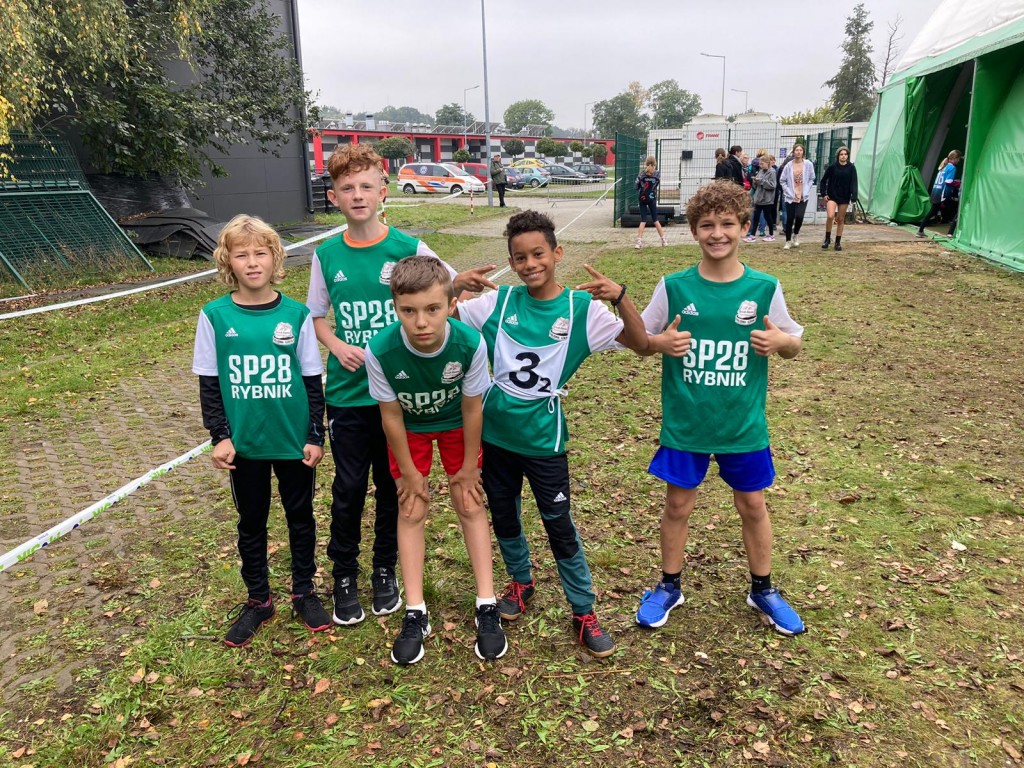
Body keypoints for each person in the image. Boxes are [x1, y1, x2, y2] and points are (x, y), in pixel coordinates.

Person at [456, 210, 663, 657]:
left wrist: (620, 297)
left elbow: (643, 344)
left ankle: (583, 609)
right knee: (504, 515)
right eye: (520, 257)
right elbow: (437, 317)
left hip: (544, 440)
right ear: (511, 262)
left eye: (538, 254)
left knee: (559, 524)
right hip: (496, 434)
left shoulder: (580, 309)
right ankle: (521, 581)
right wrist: (454, 287)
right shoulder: (498, 303)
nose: (530, 264)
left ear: (557, 253)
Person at [306, 143, 497, 628]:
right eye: (347, 188)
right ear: (334, 196)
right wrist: (337, 345)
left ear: (382, 191)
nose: (357, 195)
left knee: (397, 486)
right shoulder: (326, 254)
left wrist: (463, 281)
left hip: (406, 398)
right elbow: (317, 316)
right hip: (351, 393)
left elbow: (442, 288)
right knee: (349, 487)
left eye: (365, 186)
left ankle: (385, 569)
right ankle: (344, 575)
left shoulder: (409, 247)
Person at [632, 180, 806, 636]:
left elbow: (794, 343)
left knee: (753, 504)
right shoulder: (674, 287)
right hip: (687, 423)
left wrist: (781, 342)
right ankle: (669, 586)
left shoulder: (764, 287)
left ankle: (763, 589)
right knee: (677, 505)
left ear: (745, 227)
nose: (717, 233)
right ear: (693, 231)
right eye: (707, 225)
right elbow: (639, 339)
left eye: (727, 224)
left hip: (741, 424)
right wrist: (658, 343)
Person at [192, 215, 329, 647]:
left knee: (300, 517)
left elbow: (312, 380)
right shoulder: (214, 316)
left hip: (292, 442)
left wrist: (315, 435)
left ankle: (304, 592)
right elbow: (209, 383)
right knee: (251, 521)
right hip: (245, 445)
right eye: (242, 254)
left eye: (260, 253)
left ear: (275, 258)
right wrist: (219, 436)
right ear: (227, 261)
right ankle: (258, 599)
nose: (252, 262)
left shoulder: (297, 315)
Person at [365, 257, 507, 665]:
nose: (421, 322)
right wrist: (410, 473)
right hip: (410, 427)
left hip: (456, 423)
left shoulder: (469, 343)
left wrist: (469, 467)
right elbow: (391, 415)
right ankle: (415, 611)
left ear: (451, 304)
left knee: (469, 502)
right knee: (411, 508)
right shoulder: (381, 349)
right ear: (395, 308)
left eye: (432, 309)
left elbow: (472, 407)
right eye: (408, 311)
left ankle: (486, 603)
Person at [819, 146, 858, 251]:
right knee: (830, 216)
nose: (843, 156)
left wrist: (854, 196)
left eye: (845, 154)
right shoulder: (832, 167)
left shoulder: (851, 168)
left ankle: (838, 242)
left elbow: (854, 182)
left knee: (840, 219)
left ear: (848, 156)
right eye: (841, 154)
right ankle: (827, 239)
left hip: (844, 196)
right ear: (838, 156)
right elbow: (823, 180)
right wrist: (823, 193)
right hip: (832, 196)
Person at [916, 150, 962, 238]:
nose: (959, 161)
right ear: (955, 158)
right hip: (943, 195)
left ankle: (920, 230)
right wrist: (959, 183)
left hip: (936, 192)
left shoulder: (944, 166)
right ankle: (950, 233)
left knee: (933, 212)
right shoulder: (952, 167)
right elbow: (948, 181)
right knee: (956, 210)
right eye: (958, 159)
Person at [779, 144, 815, 250]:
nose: (798, 152)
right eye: (796, 150)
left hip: (803, 195)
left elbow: (811, 178)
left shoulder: (808, 164)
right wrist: (787, 191)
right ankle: (788, 241)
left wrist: (807, 188)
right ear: (793, 152)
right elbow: (782, 180)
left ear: (803, 152)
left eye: (800, 150)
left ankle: (796, 234)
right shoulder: (788, 165)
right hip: (791, 195)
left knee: (799, 216)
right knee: (790, 218)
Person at [635, 155, 668, 249]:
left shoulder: (641, 174)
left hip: (642, 198)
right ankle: (664, 240)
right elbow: (656, 184)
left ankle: (639, 242)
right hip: (652, 198)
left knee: (643, 220)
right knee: (655, 220)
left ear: (646, 163)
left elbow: (636, 186)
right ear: (655, 163)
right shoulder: (657, 174)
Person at [744, 155, 777, 242]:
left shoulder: (772, 172)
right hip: (758, 198)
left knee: (767, 216)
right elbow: (756, 185)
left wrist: (761, 181)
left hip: (767, 199)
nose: (760, 165)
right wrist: (755, 181)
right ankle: (752, 235)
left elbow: (773, 185)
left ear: (767, 163)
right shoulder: (761, 171)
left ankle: (771, 234)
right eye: (760, 164)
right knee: (756, 216)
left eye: (762, 164)